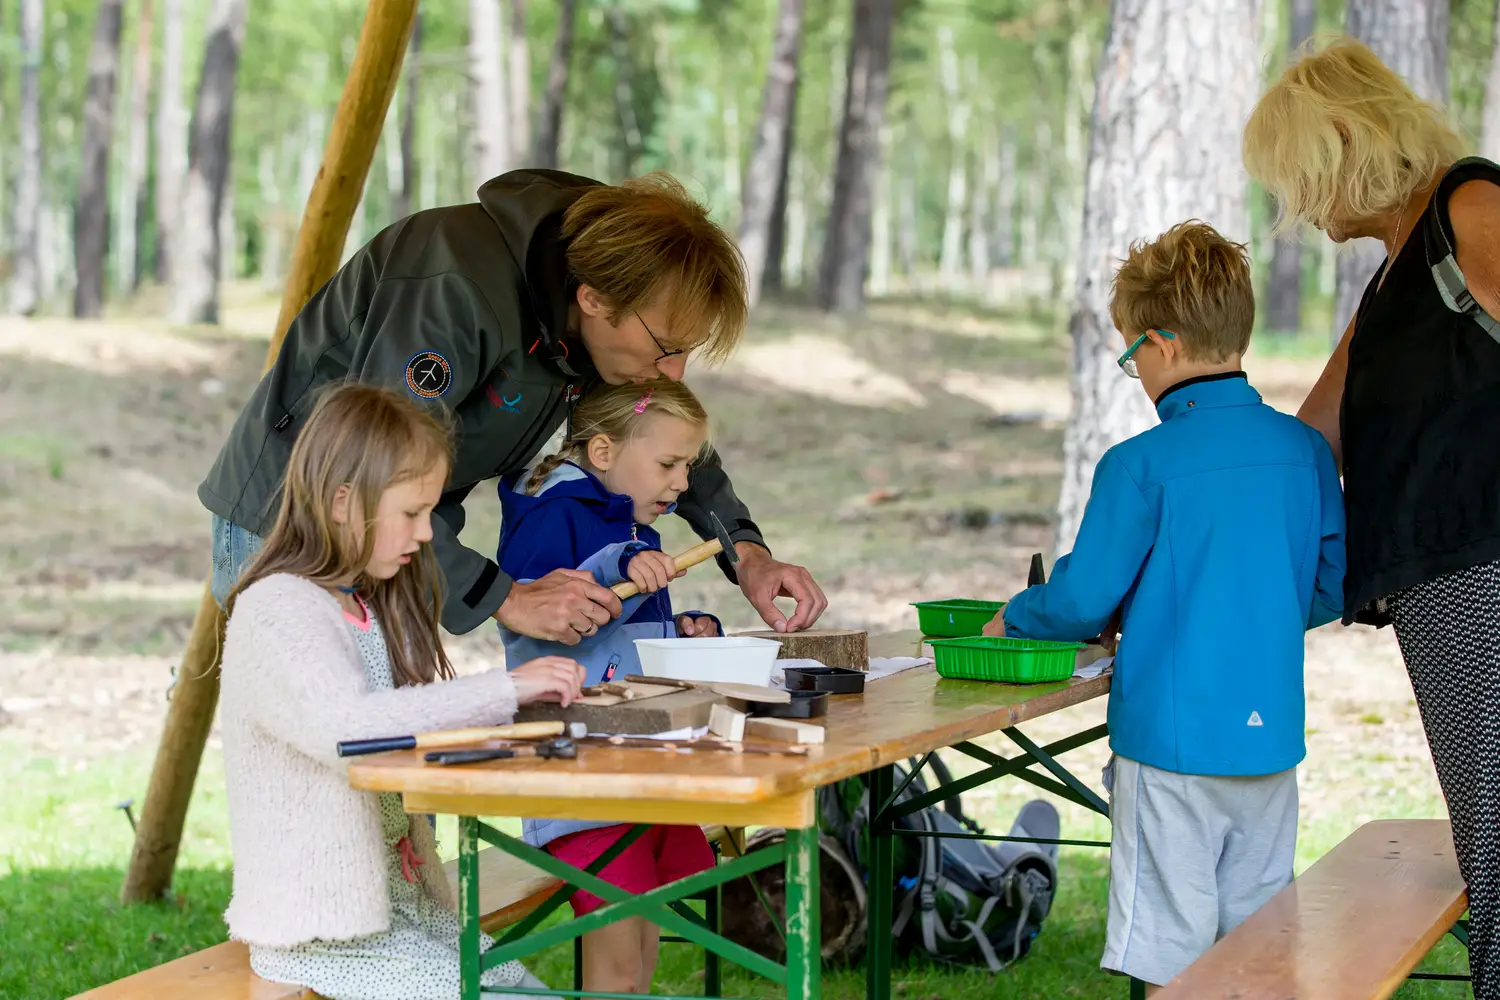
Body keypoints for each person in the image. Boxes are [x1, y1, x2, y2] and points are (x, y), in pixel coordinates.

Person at [200, 169, 827, 646]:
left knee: (391, 784)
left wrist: (745, 552)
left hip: (403, 534)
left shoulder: (602, 316)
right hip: (295, 520)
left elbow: (658, 429)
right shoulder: (454, 285)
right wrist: (508, 598)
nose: (675, 373)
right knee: (326, 758)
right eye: (666, 349)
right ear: (593, 300)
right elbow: (371, 473)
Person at [983, 221, 1345, 993]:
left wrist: (1015, 615)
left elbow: (1082, 601)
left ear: (1165, 344)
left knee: (1174, 962)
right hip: (1270, 745)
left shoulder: (1139, 464)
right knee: (1254, 948)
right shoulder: (1305, 452)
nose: (1135, 370)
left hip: (1169, 751)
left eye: (1130, 354)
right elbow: (1325, 587)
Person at [1244, 35, 1500, 995]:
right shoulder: (1394, 275)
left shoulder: (1472, 208)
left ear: (1345, 141)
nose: (1300, 210)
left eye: (1301, 180)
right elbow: (1311, 442)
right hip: (1446, 597)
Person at [218, 383, 586, 1000]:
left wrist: (404, 842)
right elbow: (350, 731)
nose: (424, 535)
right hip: (321, 938)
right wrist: (506, 689)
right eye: (412, 513)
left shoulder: (360, 604)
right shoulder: (279, 608)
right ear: (343, 503)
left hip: (401, 913)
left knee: (522, 985)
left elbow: (388, 745)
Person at [496, 378, 723, 994]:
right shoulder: (553, 516)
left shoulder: (626, 516)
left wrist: (682, 631)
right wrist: (615, 565)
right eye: (670, 464)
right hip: (583, 779)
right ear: (602, 453)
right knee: (617, 964)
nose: (682, 483)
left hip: (638, 765)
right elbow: (549, 624)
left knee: (643, 950)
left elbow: (620, 644)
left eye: (688, 467)